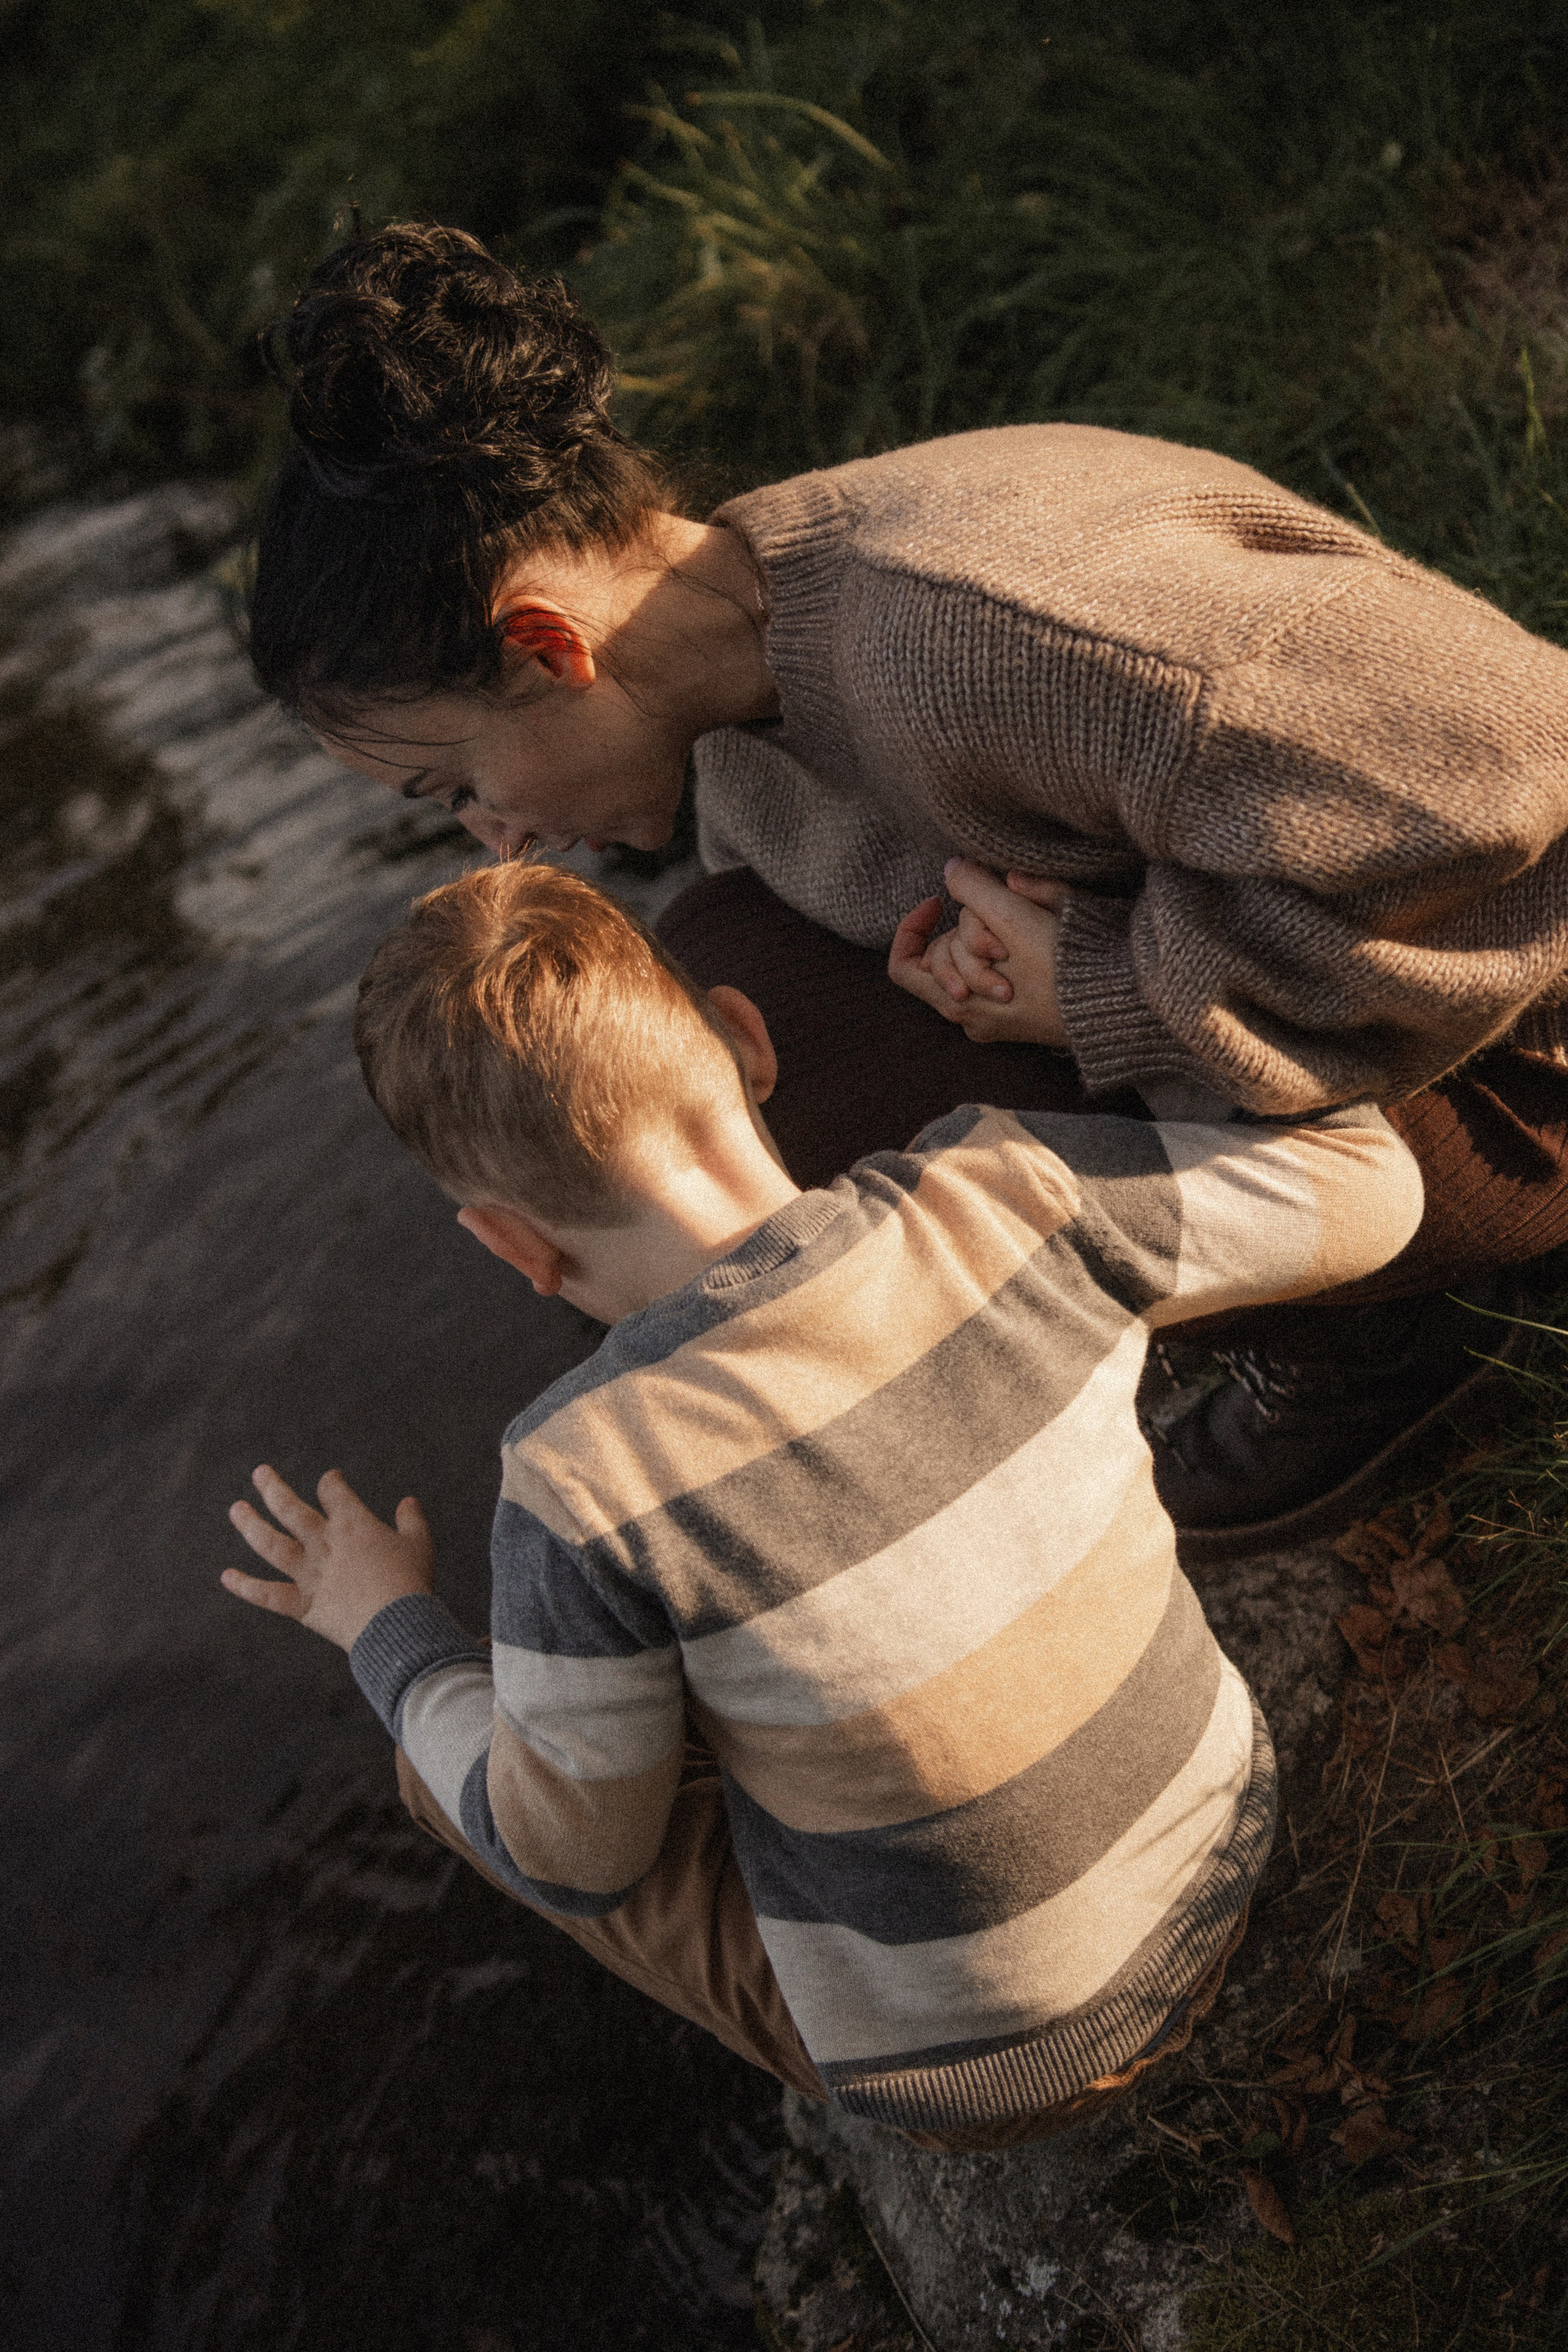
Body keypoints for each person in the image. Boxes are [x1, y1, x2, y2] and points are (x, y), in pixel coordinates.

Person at [247, 222, 1568, 1553]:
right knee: (694, 1013)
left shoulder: (968, 633)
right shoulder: (757, 681)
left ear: (542, 645)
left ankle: (1381, 1341)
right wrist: (977, 963)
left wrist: (1104, 989)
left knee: (739, 1145)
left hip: (1516, 1070)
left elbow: (1509, 766)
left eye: (453, 787)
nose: (495, 840)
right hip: (1330, 1031)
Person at [221, 860, 1423, 2144]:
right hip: (1226, 1832)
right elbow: (1374, 1194)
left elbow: (575, 1859)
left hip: (987, 2071)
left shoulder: (580, 1479)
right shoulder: (1006, 1192)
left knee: (465, 1769)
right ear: (745, 1040)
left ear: (507, 1243)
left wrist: (386, 1631)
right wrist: (1075, 1011)